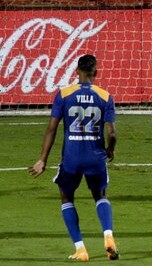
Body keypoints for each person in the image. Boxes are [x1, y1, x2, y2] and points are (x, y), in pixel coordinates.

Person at [28, 54, 119, 261]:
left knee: (67, 198)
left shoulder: (64, 94)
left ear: (76, 71)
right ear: (96, 73)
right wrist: (110, 149)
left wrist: (43, 159)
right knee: (101, 196)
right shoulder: (105, 96)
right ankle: (108, 236)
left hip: (71, 158)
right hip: (96, 158)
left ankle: (81, 248)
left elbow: (51, 129)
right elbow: (112, 133)